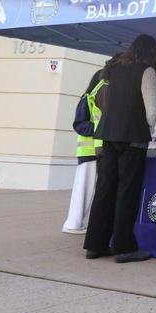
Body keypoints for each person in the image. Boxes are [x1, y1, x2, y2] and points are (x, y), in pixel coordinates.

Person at [83, 34, 156, 264]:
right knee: (127, 191)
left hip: (108, 136)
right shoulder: (147, 72)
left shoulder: (114, 69)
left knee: (105, 190)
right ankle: (124, 247)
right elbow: (151, 113)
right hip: (133, 138)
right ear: (152, 52)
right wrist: (149, 129)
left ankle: (95, 245)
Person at [61, 69, 106, 233]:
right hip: (89, 151)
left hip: (94, 151)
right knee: (84, 190)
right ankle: (73, 223)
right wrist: (101, 129)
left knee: (85, 189)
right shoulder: (87, 99)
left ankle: (74, 223)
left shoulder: (90, 98)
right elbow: (79, 124)